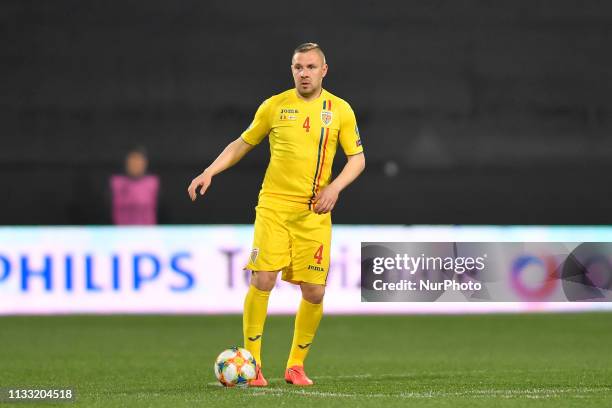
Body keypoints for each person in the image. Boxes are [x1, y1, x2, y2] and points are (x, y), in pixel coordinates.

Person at [188, 43, 365, 386]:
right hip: (273, 207)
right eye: (298, 67)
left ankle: (295, 365)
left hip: (313, 212)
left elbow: (357, 159)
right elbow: (242, 143)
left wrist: (335, 188)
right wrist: (210, 170)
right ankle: (252, 366)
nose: (304, 73)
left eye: (311, 67)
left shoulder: (340, 110)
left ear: (324, 70)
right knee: (262, 279)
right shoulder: (274, 106)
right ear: (292, 69)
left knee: (314, 291)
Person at [110, 148, 159, 225]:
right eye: (132, 161)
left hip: (147, 233)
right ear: (126, 162)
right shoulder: (115, 183)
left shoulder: (153, 183)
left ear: (145, 163)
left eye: (138, 161)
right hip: (120, 233)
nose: (135, 164)